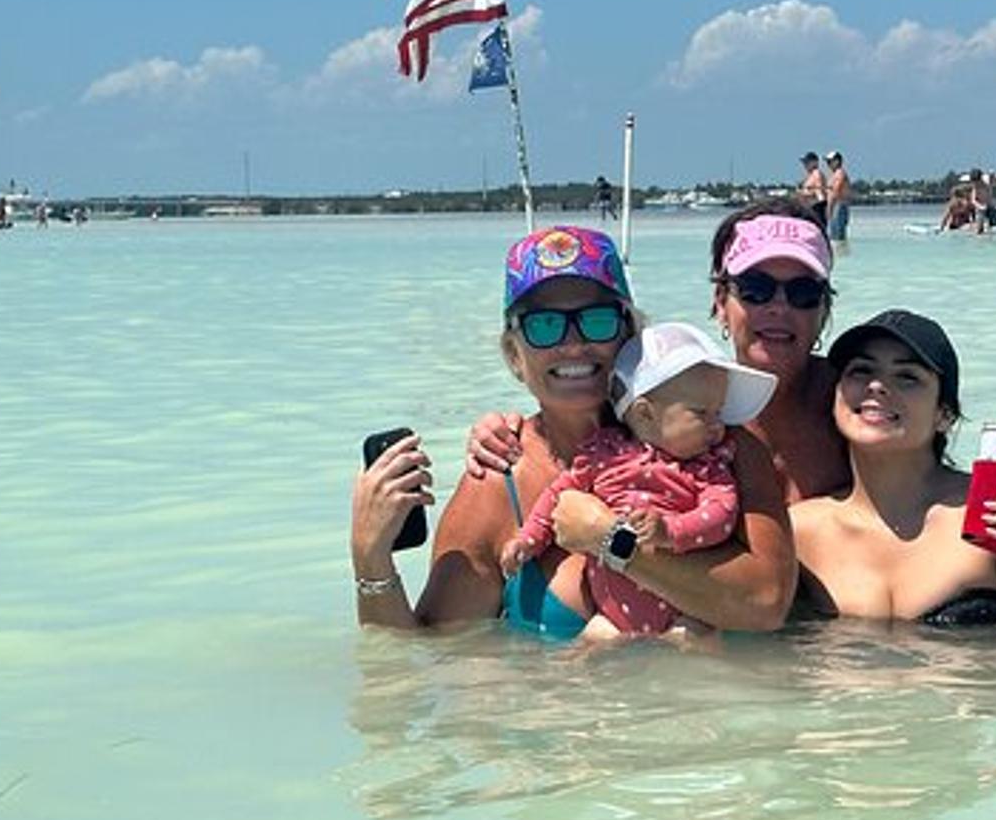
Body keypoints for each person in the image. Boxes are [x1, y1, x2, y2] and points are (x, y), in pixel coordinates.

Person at [352, 225, 796, 636]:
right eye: (544, 325)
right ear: (514, 356)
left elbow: (767, 604)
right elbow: (420, 663)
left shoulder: (720, 444)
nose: (573, 343)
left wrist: (608, 539)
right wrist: (370, 556)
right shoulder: (497, 483)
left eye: (597, 320)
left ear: (632, 334)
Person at [471, 201, 851, 506]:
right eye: (755, 289)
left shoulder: (858, 406)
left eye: (803, 292)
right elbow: (569, 416)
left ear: (825, 309)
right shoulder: (663, 406)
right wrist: (498, 431)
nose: (779, 307)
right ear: (720, 301)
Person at [792, 310, 996, 628]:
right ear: (836, 397)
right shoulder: (800, 531)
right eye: (861, 371)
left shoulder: (993, 513)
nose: (877, 385)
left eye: (907, 377)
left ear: (945, 415)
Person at [502, 321, 777, 640]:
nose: (719, 427)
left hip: (682, 613)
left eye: (720, 412)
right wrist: (529, 539)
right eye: (704, 414)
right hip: (610, 617)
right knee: (580, 664)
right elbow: (557, 495)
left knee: (695, 641)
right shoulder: (604, 455)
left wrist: (671, 532)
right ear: (645, 414)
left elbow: (722, 513)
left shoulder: (707, 467)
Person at [824, 150, 852, 249]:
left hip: (838, 207)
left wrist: (829, 210)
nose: (828, 164)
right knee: (835, 237)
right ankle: (841, 257)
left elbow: (835, 193)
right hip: (837, 207)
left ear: (837, 161)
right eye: (827, 162)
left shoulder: (840, 174)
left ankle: (843, 256)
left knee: (838, 238)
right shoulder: (835, 175)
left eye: (829, 162)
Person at [797, 152, 828, 230]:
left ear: (814, 162)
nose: (804, 165)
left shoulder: (817, 174)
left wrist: (805, 193)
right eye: (804, 162)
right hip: (811, 208)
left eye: (807, 162)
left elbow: (819, 192)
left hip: (816, 208)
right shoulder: (810, 175)